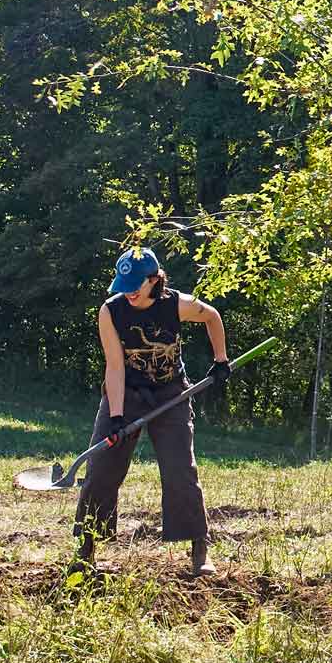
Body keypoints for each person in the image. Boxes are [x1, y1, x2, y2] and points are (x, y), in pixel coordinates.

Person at [72, 247, 231, 577]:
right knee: (101, 467)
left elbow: (212, 316)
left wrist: (220, 360)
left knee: (180, 469)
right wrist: (117, 417)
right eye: (124, 283)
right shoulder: (111, 311)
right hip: (127, 394)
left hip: (171, 392)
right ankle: (86, 548)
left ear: (154, 280)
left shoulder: (176, 304)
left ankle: (199, 548)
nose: (129, 291)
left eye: (136, 284)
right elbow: (115, 367)